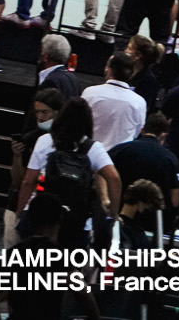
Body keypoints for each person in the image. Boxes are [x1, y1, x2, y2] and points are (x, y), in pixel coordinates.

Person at [19, 98, 121, 249]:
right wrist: (113, 214)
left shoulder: (45, 140)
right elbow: (114, 178)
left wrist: (20, 211)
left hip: (41, 216)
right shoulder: (93, 148)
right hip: (76, 221)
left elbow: (29, 181)